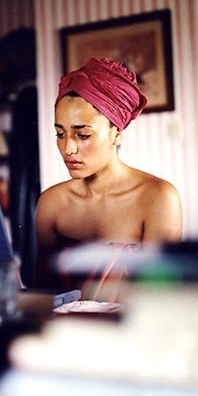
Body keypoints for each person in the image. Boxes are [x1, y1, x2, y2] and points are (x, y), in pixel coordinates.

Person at [35, 57, 182, 293]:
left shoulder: (158, 198)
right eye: (60, 134)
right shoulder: (50, 203)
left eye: (83, 135)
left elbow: (162, 297)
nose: (68, 148)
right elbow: (42, 291)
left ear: (116, 133)